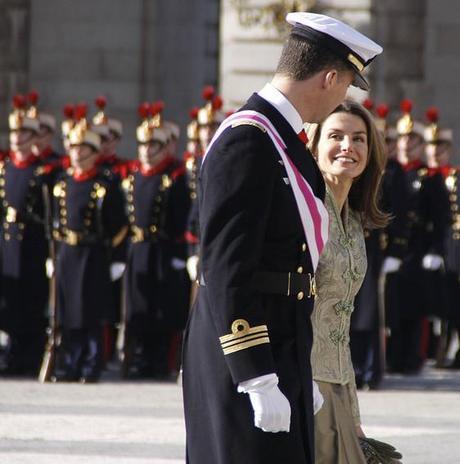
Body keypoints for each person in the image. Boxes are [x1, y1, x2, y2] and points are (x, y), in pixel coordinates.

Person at [182, 12, 382, 464]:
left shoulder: (281, 139)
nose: (340, 100)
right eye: (346, 87)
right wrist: (256, 375)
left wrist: (294, 363)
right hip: (245, 352)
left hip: (283, 342)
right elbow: (227, 266)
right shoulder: (249, 140)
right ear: (330, 78)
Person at [308, 100, 394, 462]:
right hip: (301, 377)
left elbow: (340, 324)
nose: (348, 146)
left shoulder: (355, 219)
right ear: (313, 146)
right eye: (336, 136)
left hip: (338, 377)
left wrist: (353, 414)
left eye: (359, 138)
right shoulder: (305, 210)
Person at [51, 106, 127, 383]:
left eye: (82, 148)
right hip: (68, 252)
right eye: (73, 148)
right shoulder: (62, 183)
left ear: (94, 152)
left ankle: (91, 363)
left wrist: (118, 258)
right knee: (68, 311)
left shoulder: (104, 185)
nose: (76, 153)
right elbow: (54, 222)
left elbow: (119, 226)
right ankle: (70, 362)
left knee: (90, 311)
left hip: (93, 253)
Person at [121, 102, 190, 379]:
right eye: (143, 146)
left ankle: (160, 361)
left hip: (162, 249)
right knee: (139, 306)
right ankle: (140, 358)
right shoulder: (133, 176)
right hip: (138, 248)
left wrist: (178, 253)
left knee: (162, 309)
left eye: (153, 146)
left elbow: (182, 218)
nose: (147, 151)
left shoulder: (173, 178)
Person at [386, 99, 448, 373]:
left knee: (414, 310)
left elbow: (441, 218)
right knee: (392, 309)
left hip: (418, 251)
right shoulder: (391, 171)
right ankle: (393, 357)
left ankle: (412, 358)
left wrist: (435, 249)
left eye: (412, 140)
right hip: (393, 250)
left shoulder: (428, 176)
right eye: (403, 139)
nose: (406, 144)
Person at [0, 94, 56, 376]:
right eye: (14, 132)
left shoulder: (42, 170)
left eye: (23, 133)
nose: (17, 138)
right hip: (9, 242)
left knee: (32, 301)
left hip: (33, 242)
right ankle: (11, 353)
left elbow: (49, 213)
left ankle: (30, 355)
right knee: (9, 301)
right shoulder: (5, 167)